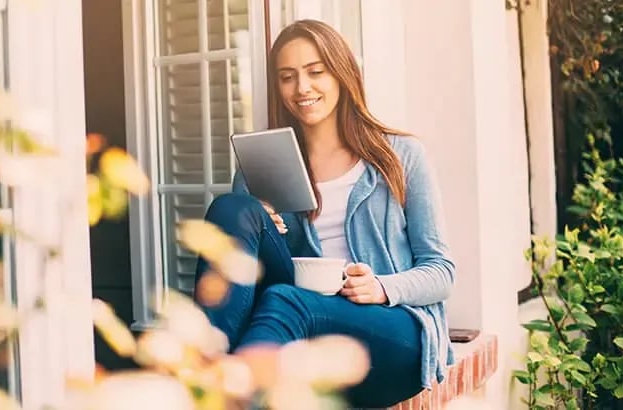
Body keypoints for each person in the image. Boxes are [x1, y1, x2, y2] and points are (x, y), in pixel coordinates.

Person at [193, 19, 455, 408]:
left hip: (391, 335)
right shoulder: (262, 167)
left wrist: (382, 287)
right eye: (287, 77)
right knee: (234, 208)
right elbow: (243, 285)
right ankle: (206, 367)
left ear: (342, 73)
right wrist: (267, 226)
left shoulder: (400, 157)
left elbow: (441, 271)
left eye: (316, 72)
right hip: (298, 323)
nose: (302, 88)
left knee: (286, 300)